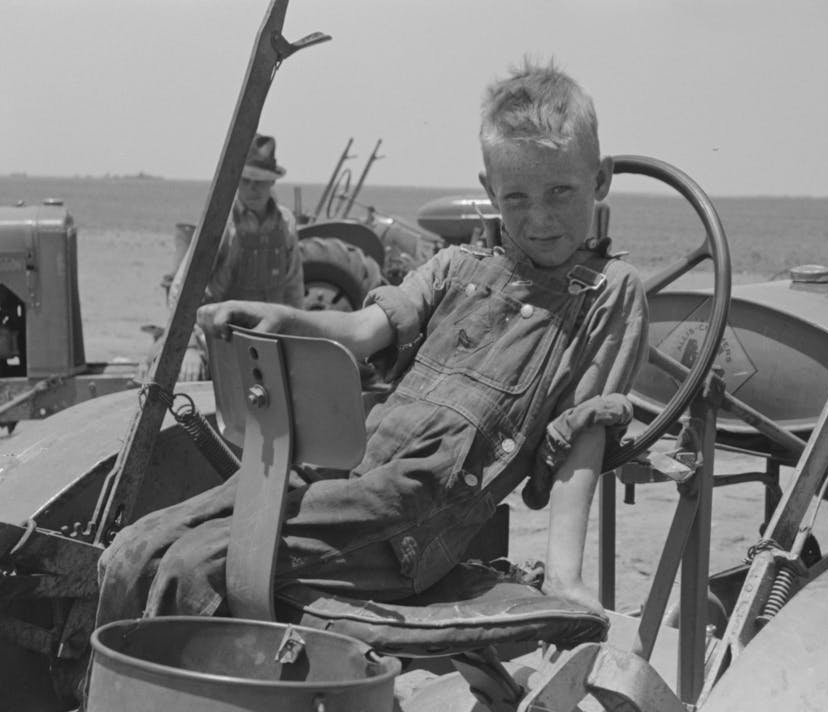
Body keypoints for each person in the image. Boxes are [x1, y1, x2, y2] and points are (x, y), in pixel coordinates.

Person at [96, 59, 649, 624]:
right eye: (518, 199)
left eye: (560, 191)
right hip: (335, 469)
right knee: (137, 548)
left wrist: (563, 578)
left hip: (407, 513)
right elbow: (360, 332)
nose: (539, 219)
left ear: (600, 179)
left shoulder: (609, 294)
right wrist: (282, 317)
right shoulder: (455, 267)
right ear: (489, 191)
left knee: (196, 567)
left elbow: (584, 432)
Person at [166, 133, 304, 380]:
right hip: (219, 341)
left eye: (260, 182)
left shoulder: (286, 224)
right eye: (247, 180)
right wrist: (188, 347)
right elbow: (180, 290)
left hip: (268, 340)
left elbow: (293, 290)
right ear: (237, 181)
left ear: (272, 183)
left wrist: (297, 341)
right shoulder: (220, 222)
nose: (253, 188)